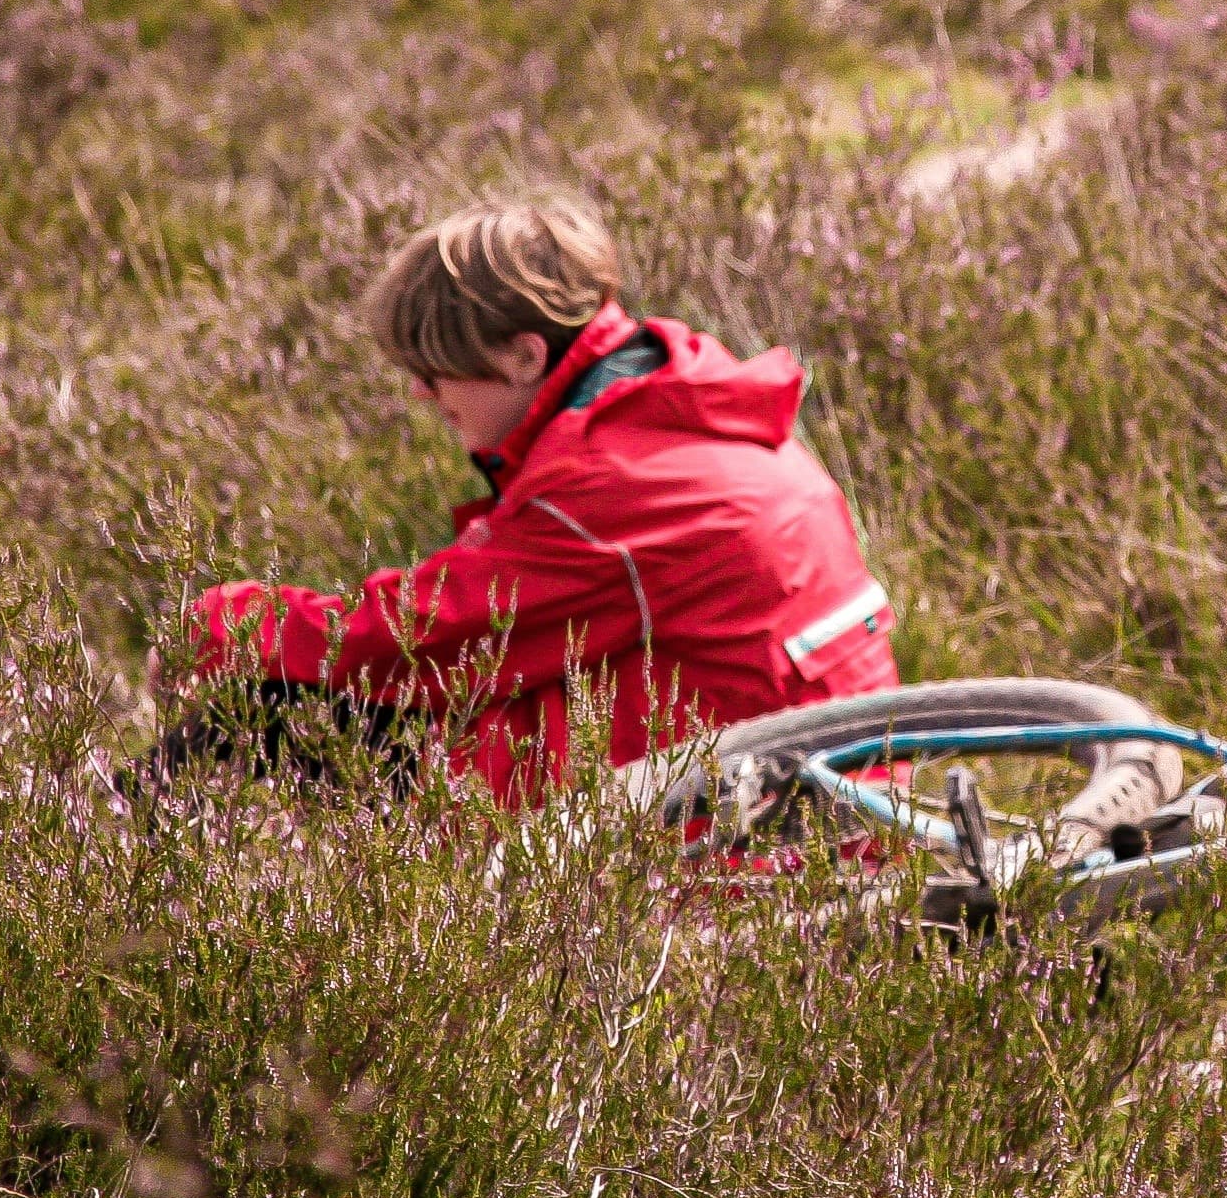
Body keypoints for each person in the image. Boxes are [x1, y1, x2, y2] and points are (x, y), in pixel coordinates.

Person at [167, 194, 899, 804]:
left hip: (737, 831)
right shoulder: (700, 408)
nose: (422, 392)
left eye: (437, 368)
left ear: (524, 355)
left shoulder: (608, 480)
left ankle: (104, 916)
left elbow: (419, 642)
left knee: (256, 721)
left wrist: (220, 625)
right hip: (832, 793)